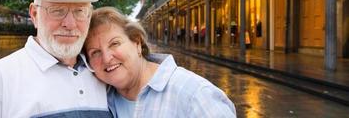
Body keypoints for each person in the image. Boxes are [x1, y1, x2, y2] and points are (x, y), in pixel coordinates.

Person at [0, 0, 112, 118]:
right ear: (34, 14)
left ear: (89, 16)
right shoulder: (0, 78)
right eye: (57, 11)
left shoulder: (105, 74)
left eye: (80, 11)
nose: (70, 24)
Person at [84, 7, 237, 118]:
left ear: (137, 42)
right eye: (95, 52)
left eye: (114, 43)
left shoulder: (195, 95)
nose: (106, 58)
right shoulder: (100, 99)